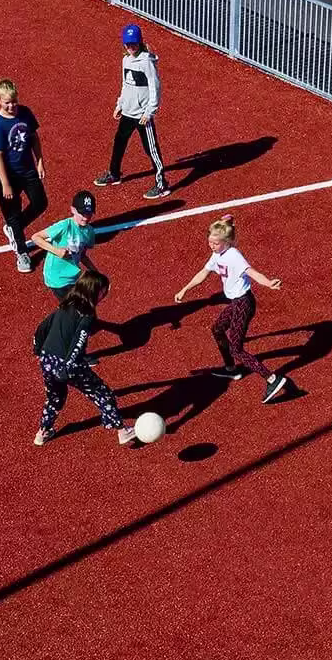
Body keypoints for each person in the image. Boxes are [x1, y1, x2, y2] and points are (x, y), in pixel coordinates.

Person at [175, 216, 291, 403]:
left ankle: (272, 379)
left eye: (215, 243)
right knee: (217, 329)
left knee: (237, 349)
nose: (211, 246)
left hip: (243, 303)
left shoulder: (234, 256)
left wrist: (268, 283)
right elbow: (203, 273)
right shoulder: (218, 254)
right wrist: (185, 289)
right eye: (210, 242)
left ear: (226, 242)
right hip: (235, 303)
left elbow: (251, 272)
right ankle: (231, 370)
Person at [32, 269, 137, 447]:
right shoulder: (87, 315)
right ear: (95, 291)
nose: (106, 293)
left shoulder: (65, 305)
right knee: (101, 392)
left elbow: (42, 328)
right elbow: (78, 342)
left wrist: (37, 349)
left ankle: (42, 432)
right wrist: (68, 365)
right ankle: (121, 430)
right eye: (104, 290)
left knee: (54, 398)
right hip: (68, 364)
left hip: (46, 359)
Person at [97, 24, 169, 200]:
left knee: (150, 149)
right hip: (128, 112)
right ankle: (114, 174)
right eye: (128, 44)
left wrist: (149, 112)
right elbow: (125, 85)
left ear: (140, 42)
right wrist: (120, 104)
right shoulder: (126, 60)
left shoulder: (147, 62)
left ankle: (162, 184)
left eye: (134, 43)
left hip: (143, 115)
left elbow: (155, 88)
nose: (131, 47)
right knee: (119, 142)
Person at [0, 78, 48, 273]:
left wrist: (39, 161)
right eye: (7, 102)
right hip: (9, 175)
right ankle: (22, 253)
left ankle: (14, 229)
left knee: (41, 203)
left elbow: (34, 138)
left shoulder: (25, 113)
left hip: (28, 170)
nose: (11, 105)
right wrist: (5, 183)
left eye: (13, 101)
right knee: (12, 213)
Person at [31, 190, 99, 303]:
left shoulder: (89, 232)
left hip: (74, 276)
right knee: (76, 308)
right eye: (82, 213)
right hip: (57, 278)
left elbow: (82, 255)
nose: (86, 218)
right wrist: (56, 251)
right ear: (73, 209)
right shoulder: (64, 226)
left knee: (82, 306)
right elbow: (36, 237)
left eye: (89, 214)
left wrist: (96, 273)